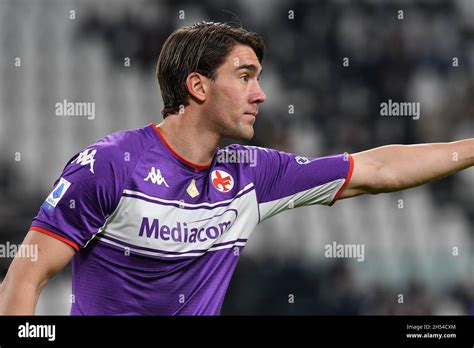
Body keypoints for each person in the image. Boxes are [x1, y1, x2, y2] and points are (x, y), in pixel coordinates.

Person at [0, 21, 472, 315]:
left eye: (259, 80)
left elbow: (376, 169)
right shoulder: (110, 165)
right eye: (245, 77)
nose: (260, 94)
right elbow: (25, 277)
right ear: (198, 86)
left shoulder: (254, 172)